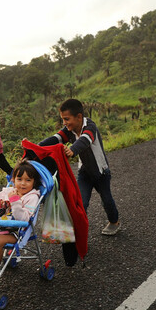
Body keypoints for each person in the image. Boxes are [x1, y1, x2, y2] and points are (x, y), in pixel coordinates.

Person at [39, 99, 120, 236]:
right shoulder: (69, 130)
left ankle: (114, 222)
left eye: (66, 119)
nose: (64, 123)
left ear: (79, 117)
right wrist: (38, 146)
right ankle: (79, 231)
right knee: (81, 203)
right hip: (85, 173)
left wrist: (72, 149)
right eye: (63, 119)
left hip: (101, 172)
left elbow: (85, 139)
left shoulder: (90, 126)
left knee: (107, 200)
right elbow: (56, 138)